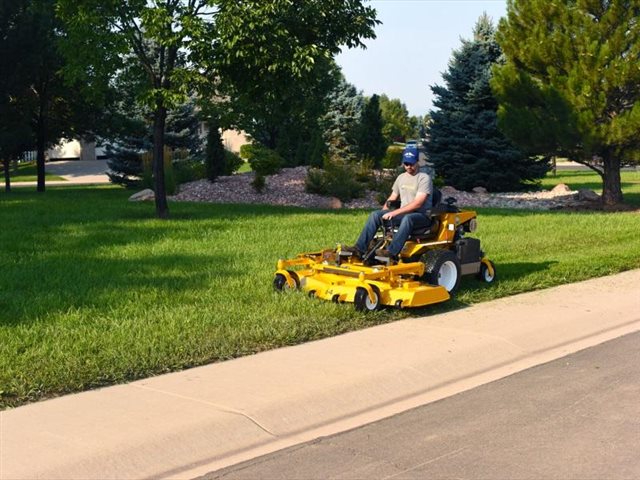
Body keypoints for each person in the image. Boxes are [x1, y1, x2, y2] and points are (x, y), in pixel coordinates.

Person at [346, 145, 433, 260]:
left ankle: (391, 253)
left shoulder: (424, 178)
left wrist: (394, 213)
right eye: (406, 164)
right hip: (403, 214)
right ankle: (359, 249)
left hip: (421, 216)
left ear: (417, 161)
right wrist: (382, 215)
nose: (408, 167)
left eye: (411, 163)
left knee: (408, 219)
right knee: (375, 215)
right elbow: (392, 198)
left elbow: (417, 203)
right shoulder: (401, 178)